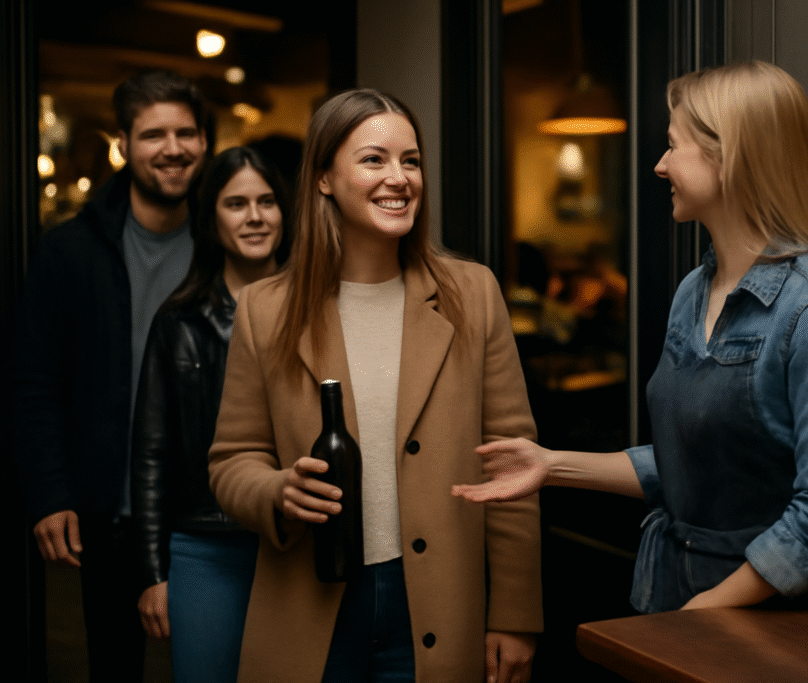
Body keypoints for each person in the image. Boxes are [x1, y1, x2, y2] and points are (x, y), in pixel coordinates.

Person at [453, 60, 808, 613]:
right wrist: (550, 465)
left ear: (730, 157)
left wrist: (698, 618)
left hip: (772, 627)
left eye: (674, 146)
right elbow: (694, 461)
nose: (660, 166)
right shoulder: (693, 292)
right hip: (677, 600)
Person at [207, 89, 543, 683]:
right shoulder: (265, 309)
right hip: (310, 607)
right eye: (374, 159)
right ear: (323, 180)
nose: (400, 178)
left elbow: (512, 464)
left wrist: (515, 614)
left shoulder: (474, 294)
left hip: (437, 606)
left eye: (410, 160)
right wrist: (277, 492)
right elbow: (233, 459)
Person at [15, 69, 206, 681]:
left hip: (211, 508)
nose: (172, 148)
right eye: (154, 134)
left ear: (206, 140)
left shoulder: (230, 240)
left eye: (186, 132)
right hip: (110, 510)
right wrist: (51, 495)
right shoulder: (70, 250)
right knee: (115, 667)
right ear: (125, 143)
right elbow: (33, 382)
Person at [131, 146, 291, 682]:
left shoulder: (319, 311)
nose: (254, 217)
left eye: (267, 201)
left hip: (294, 547)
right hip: (205, 548)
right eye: (236, 203)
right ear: (210, 218)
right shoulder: (178, 321)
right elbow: (151, 454)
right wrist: (155, 573)